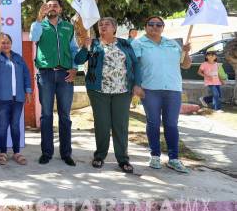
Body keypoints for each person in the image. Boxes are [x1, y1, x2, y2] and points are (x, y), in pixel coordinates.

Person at [74, 17, 141, 173]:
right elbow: (78, 60)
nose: (103, 26)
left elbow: (135, 64)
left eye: (107, 24)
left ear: (114, 28)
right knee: (102, 125)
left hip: (122, 91)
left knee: (120, 126)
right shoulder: (93, 43)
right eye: (100, 25)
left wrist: (137, 83)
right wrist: (85, 47)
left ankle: (123, 160)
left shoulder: (125, 44)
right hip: (98, 91)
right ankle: (99, 156)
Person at [132, 16, 192, 173]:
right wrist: (136, 85)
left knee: (171, 124)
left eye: (158, 24)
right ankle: (155, 156)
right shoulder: (138, 43)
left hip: (173, 89)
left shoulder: (172, 43)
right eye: (151, 24)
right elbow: (133, 65)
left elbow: (186, 65)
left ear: (163, 27)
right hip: (150, 89)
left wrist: (186, 52)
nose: (155, 26)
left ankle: (174, 159)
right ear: (145, 27)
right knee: (153, 123)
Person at [29, 0, 78, 166]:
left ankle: (66, 153)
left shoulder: (68, 27)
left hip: (65, 75)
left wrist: (75, 68)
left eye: (55, 5)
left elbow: (73, 49)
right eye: (48, 5)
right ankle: (46, 152)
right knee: (46, 115)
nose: (52, 8)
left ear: (60, 9)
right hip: (46, 74)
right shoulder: (39, 25)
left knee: (65, 116)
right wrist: (39, 17)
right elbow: (33, 37)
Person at [0, 33, 33, 166]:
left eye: (8, 42)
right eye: (3, 42)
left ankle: (16, 152)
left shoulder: (18, 57)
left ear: (11, 44)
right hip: (2, 98)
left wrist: (28, 91)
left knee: (15, 125)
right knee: (3, 125)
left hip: (18, 98)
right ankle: (2, 152)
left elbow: (26, 74)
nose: (5, 45)